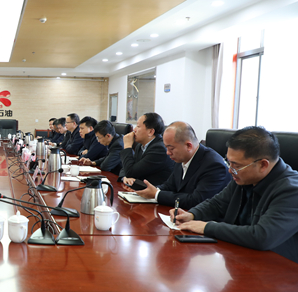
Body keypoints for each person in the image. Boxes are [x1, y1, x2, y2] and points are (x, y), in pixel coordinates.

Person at [173, 126, 298, 263]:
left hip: (277, 266)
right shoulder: (244, 177)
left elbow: (262, 236)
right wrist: (191, 215)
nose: (230, 170)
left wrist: (207, 227)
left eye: (236, 166)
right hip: (238, 256)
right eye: (229, 163)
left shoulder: (292, 190)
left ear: (263, 165)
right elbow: (217, 204)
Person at [133, 121, 231, 208]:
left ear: (188, 146)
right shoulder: (182, 157)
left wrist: (157, 194)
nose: (168, 153)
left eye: (171, 148)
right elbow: (169, 186)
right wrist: (151, 190)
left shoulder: (214, 166)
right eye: (166, 148)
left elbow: (197, 201)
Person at [119, 112, 174, 185]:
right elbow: (127, 166)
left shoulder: (159, 149)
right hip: (140, 187)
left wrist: (127, 146)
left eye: (138, 126)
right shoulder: (141, 145)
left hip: (154, 190)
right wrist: (124, 177)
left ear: (150, 132)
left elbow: (130, 172)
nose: (134, 130)